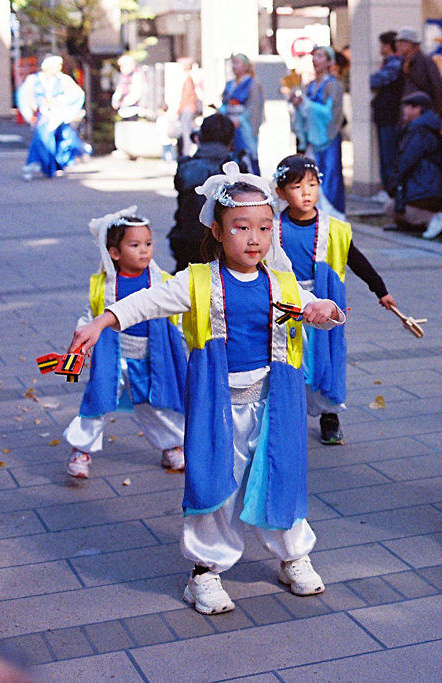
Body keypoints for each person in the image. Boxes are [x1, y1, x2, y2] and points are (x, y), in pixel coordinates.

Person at [68, 163, 346, 615]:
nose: (254, 238)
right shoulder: (196, 282)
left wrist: (326, 310)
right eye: (241, 227)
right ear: (217, 231)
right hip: (218, 407)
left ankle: (293, 556)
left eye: (262, 228)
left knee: (283, 474)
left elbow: (317, 309)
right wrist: (104, 320)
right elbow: (147, 301)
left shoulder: (282, 281)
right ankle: (205, 571)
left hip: (276, 404)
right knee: (214, 482)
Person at [270, 155, 399, 444]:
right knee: (286, 361)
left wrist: (380, 289)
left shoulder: (334, 229)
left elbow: (357, 260)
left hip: (323, 308)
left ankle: (330, 415)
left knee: (325, 361)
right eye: (296, 186)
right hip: (284, 307)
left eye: (313, 185)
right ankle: (286, 415)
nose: (306, 192)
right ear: (280, 192)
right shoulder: (270, 228)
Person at [63, 208, 187, 479]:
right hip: (113, 354)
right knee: (98, 400)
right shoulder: (105, 284)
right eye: (135, 245)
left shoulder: (162, 282)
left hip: (153, 356)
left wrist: (184, 342)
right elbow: (91, 313)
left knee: (156, 404)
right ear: (114, 253)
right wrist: (80, 337)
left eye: (148, 244)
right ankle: (81, 450)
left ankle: (172, 446)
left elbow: (177, 317)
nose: (144, 251)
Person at [169, 113, 249, 272]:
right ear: (231, 140)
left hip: (186, 242)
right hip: (224, 244)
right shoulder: (235, 168)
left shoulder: (185, 166)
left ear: (201, 137)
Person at [290, 46, 346, 214]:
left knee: (329, 176)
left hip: (327, 137)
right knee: (311, 177)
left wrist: (306, 105)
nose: (315, 59)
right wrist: (298, 105)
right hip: (312, 140)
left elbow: (331, 114)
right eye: (314, 56)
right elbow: (305, 113)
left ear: (330, 61)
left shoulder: (333, 85)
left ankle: (332, 212)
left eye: (320, 56)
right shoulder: (309, 86)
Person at [385, 92, 442, 237]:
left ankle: (433, 219)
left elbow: (406, 161)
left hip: (424, 187)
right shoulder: (426, 127)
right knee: (393, 205)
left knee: (390, 206)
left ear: (418, 109)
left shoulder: (419, 131)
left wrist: (393, 184)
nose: (405, 111)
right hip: (429, 186)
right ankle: (424, 221)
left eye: (409, 107)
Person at [16, 55, 88, 180]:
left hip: (60, 115)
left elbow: (77, 94)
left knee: (67, 139)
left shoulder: (63, 79)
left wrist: (60, 101)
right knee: (43, 139)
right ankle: (36, 163)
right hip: (44, 114)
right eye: (57, 65)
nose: (59, 68)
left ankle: (56, 164)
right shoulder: (33, 79)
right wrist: (33, 111)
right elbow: (29, 99)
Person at [370, 31, 405, 198]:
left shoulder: (394, 64)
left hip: (389, 116)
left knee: (389, 155)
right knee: (386, 155)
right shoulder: (389, 63)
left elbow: (376, 80)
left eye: (382, 44)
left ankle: (390, 190)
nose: (381, 48)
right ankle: (388, 189)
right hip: (385, 115)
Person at [220, 53, 264, 175]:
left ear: (245, 66)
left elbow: (254, 107)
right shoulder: (230, 84)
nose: (234, 66)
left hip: (244, 125)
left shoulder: (252, 83)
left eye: (237, 63)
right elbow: (225, 103)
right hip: (229, 125)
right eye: (233, 63)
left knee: (247, 156)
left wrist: (241, 119)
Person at [395, 26, 442, 119]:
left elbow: (438, 87)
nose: (398, 45)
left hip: (424, 112)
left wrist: (435, 112)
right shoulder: (402, 62)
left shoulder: (424, 61)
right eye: (397, 42)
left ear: (413, 45)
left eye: (403, 42)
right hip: (408, 113)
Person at [176, 56, 200, 158]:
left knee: (186, 132)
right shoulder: (188, 77)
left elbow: (186, 96)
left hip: (187, 108)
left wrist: (179, 109)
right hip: (188, 108)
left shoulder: (188, 78)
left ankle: (187, 153)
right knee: (186, 131)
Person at [111, 54, 145, 121]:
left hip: (134, 109)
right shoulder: (123, 77)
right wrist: (115, 100)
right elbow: (119, 90)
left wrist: (125, 102)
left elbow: (137, 93)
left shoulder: (136, 76)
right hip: (123, 110)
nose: (122, 69)